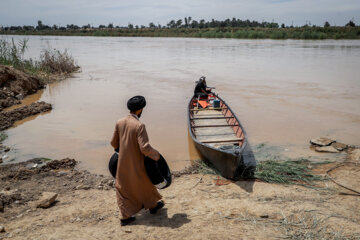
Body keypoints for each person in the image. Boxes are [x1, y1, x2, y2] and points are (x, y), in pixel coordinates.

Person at [110, 95, 164, 226]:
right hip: (137, 162)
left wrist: (123, 151)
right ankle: (151, 205)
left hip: (122, 162)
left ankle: (127, 216)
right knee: (145, 182)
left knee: (123, 188)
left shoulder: (119, 122)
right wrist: (157, 156)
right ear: (140, 110)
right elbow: (144, 148)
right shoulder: (139, 125)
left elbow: (113, 143)